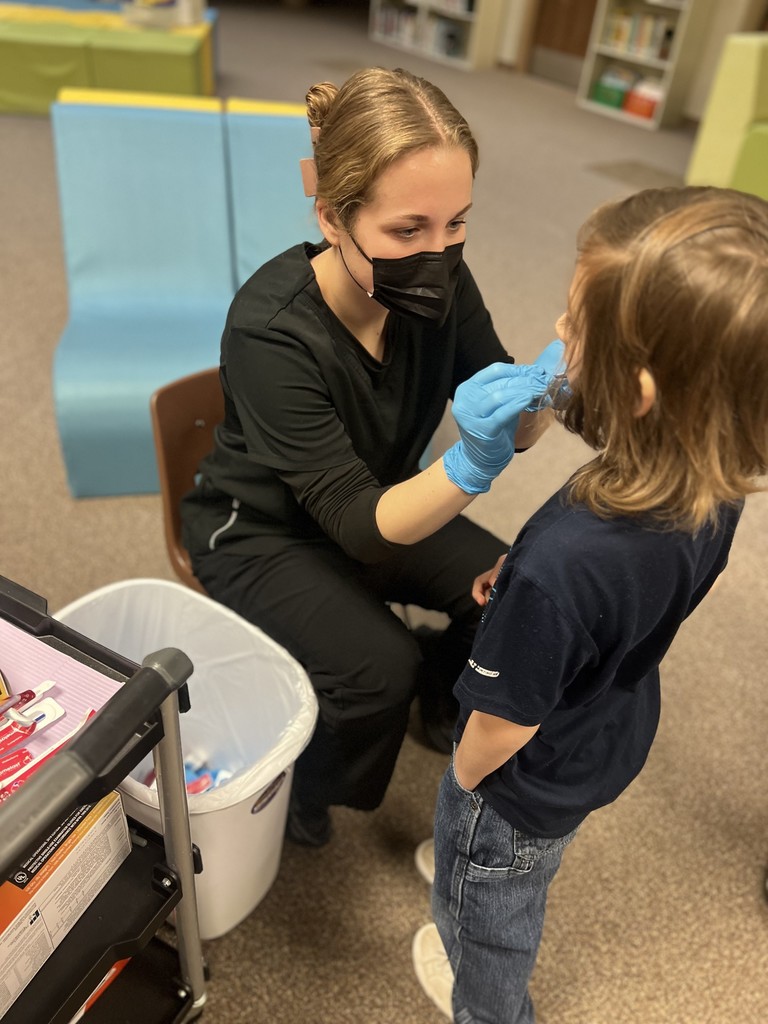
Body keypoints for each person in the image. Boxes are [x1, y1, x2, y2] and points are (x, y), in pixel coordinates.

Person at [411, 185, 768, 1023]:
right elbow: (622, 602)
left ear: (639, 392)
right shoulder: (711, 481)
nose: (558, 336)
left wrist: (461, 784)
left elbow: (503, 725)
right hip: (604, 727)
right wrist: (536, 602)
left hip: (513, 785)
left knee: (489, 919)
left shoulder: (566, 562)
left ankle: (492, 1010)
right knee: (529, 866)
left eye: (574, 325)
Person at [180, 67, 560, 847]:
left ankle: (438, 691)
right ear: (333, 217)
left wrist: (547, 390)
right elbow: (359, 526)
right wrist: (469, 467)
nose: (440, 251)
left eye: (457, 224)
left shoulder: (441, 283)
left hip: (380, 502)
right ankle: (301, 797)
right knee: (373, 670)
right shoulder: (271, 330)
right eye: (407, 230)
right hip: (260, 531)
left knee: (512, 588)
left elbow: (509, 416)